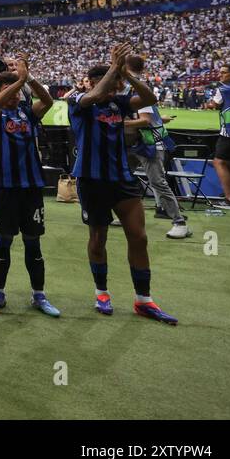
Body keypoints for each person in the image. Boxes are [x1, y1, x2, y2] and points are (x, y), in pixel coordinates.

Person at [68, 43, 176, 324]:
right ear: (92, 81)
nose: (115, 86)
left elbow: (149, 97)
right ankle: (101, 292)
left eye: (116, 81)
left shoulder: (119, 102)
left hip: (122, 178)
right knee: (98, 238)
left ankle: (144, 300)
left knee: (139, 237)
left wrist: (126, 75)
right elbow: (91, 96)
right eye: (112, 80)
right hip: (92, 179)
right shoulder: (79, 101)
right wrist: (114, 69)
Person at [0, 54, 61, 316]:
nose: (15, 95)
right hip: (4, 187)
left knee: (33, 243)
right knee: (3, 241)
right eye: (9, 91)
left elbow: (48, 101)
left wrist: (30, 79)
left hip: (31, 187)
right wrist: (19, 81)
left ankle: (39, 295)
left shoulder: (27, 111)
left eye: (18, 91)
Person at [123, 54, 189, 240]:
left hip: (148, 144)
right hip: (136, 144)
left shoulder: (133, 89)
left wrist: (120, 123)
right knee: (122, 178)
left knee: (157, 182)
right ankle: (125, 215)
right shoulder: (136, 87)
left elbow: (145, 120)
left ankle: (179, 222)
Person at [206, 64, 230, 208]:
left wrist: (208, 104)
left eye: (223, 73)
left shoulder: (223, 89)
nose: (220, 76)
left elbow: (214, 104)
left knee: (219, 162)